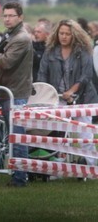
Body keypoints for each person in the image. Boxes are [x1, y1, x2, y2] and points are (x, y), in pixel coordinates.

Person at [37, 19, 98, 165]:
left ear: (74, 35)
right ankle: (58, 164)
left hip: (83, 98)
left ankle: (89, 164)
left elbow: (86, 75)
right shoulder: (50, 52)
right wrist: (45, 93)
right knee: (58, 133)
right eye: (61, 33)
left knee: (85, 134)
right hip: (57, 98)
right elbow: (42, 74)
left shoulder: (83, 51)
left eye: (67, 34)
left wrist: (71, 91)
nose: (63, 36)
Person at [0, 1, 33, 187]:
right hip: (8, 92)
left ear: (20, 17)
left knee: (17, 137)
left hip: (16, 93)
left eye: (11, 16)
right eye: (5, 15)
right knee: (13, 136)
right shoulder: (10, 35)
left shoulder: (21, 38)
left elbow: (6, 63)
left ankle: (20, 177)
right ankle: (18, 174)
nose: (6, 19)